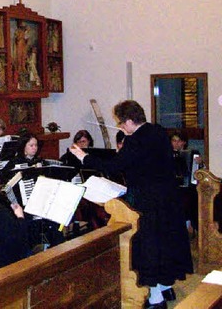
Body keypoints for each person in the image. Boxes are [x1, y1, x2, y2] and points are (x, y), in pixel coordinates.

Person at [70, 100, 193, 309]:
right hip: (169, 198)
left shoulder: (136, 141)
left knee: (149, 247)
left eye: (121, 123)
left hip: (148, 202)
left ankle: (156, 299)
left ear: (129, 121)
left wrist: (84, 157)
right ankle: (166, 286)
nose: (120, 127)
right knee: (166, 243)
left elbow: (114, 167)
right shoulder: (158, 131)